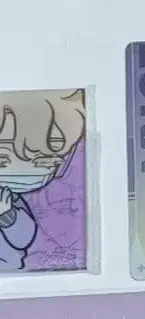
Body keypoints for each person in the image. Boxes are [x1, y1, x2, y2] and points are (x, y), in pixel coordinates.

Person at [0, 89, 85, 271]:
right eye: (3, 160)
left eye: (43, 161)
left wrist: (7, 216)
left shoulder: (8, 198)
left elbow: (23, 238)